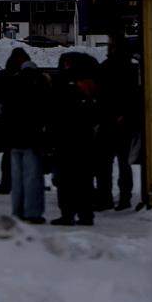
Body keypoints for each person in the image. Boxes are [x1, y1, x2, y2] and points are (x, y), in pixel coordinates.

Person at [48, 53, 102, 225]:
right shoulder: (89, 93)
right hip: (82, 140)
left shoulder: (62, 87)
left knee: (67, 180)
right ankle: (84, 214)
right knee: (82, 179)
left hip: (67, 140)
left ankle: (69, 213)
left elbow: (56, 114)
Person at [0, 47, 51, 223]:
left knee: (17, 179)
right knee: (32, 178)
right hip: (32, 138)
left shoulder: (12, 84)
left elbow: (5, 111)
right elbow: (44, 112)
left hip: (14, 138)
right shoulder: (39, 84)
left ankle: (17, 211)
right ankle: (33, 213)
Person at [95, 38, 141, 210]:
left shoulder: (105, 67)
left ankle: (104, 197)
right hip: (125, 122)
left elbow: (101, 95)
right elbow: (133, 95)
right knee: (124, 163)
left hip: (107, 121)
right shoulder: (131, 68)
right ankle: (124, 197)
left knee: (104, 164)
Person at [0, 48, 31, 195]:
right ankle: (9, 183)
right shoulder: (17, 78)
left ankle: (9, 183)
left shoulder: (11, 77)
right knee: (13, 155)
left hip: (15, 121)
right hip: (16, 121)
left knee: (14, 155)